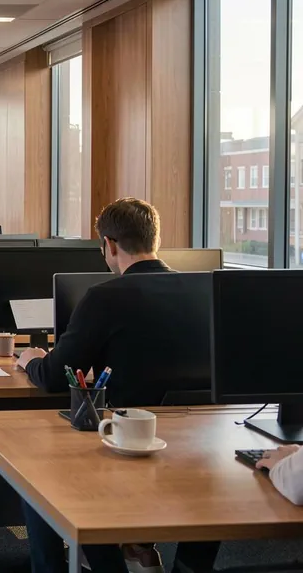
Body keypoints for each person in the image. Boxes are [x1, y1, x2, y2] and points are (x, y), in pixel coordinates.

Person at [15, 198, 217, 573]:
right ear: (155, 239)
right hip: (205, 449)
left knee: (31, 473)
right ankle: (184, 563)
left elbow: (55, 377)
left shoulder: (105, 296)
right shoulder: (208, 290)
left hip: (128, 444)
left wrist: (31, 359)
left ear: (109, 244)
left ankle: (101, 563)